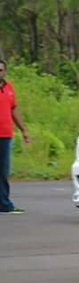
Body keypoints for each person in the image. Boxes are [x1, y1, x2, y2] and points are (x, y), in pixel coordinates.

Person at [0, 58, 30, 214]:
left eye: (1, 70)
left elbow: (13, 110)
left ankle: (4, 204)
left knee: (3, 171)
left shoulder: (9, 88)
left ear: (5, 71)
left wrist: (23, 130)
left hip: (5, 135)